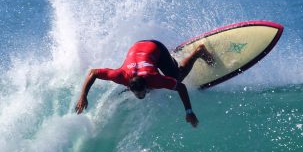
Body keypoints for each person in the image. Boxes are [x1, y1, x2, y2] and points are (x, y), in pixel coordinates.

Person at [74, 40, 214, 127]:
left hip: (156, 47)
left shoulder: (154, 79)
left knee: (176, 77)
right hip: (137, 46)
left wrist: (189, 111)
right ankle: (172, 57)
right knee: (161, 73)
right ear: (130, 86)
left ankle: (198, 53)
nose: (142, 96)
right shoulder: (120, 76)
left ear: (146, 84)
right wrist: (83, 96)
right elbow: (93, 72)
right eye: (139, 94)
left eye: (143, 93)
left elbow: (181, 88)